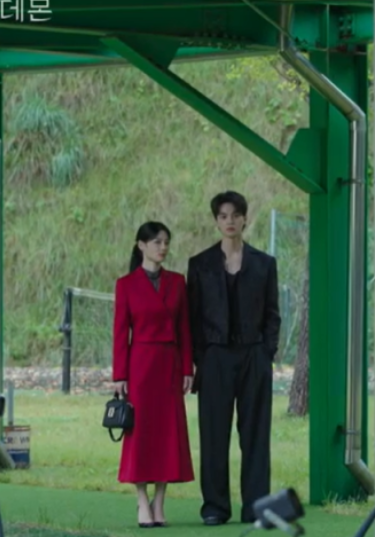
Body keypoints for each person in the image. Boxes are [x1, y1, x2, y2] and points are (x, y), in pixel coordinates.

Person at [187, 190, 282, 525]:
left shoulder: (264, 263)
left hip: (254, 355)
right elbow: (193, 317)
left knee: (255, 435)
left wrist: (266, 352)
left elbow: (273, 314)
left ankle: (256, 507)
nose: (230, 221)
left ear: (245, 219)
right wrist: (202, 358)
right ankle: (215, 507)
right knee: (213, 435)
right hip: (214, 358)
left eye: (235, 215)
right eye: (223, 216)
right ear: (217, 221)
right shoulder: (199, 264)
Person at [111, 221, 195, 528]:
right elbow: (120, 333)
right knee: (141, 434)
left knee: (167, 433)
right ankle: (141, 499)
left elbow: (185, 329)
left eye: (166, 242)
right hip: (140, 367)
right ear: (141, 245)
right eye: (157, 242)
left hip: (170, 366)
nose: (163, 247)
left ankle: (159, 502)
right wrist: (120, 375)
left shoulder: (177, 282)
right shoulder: (126, 284)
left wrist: (187, 368)